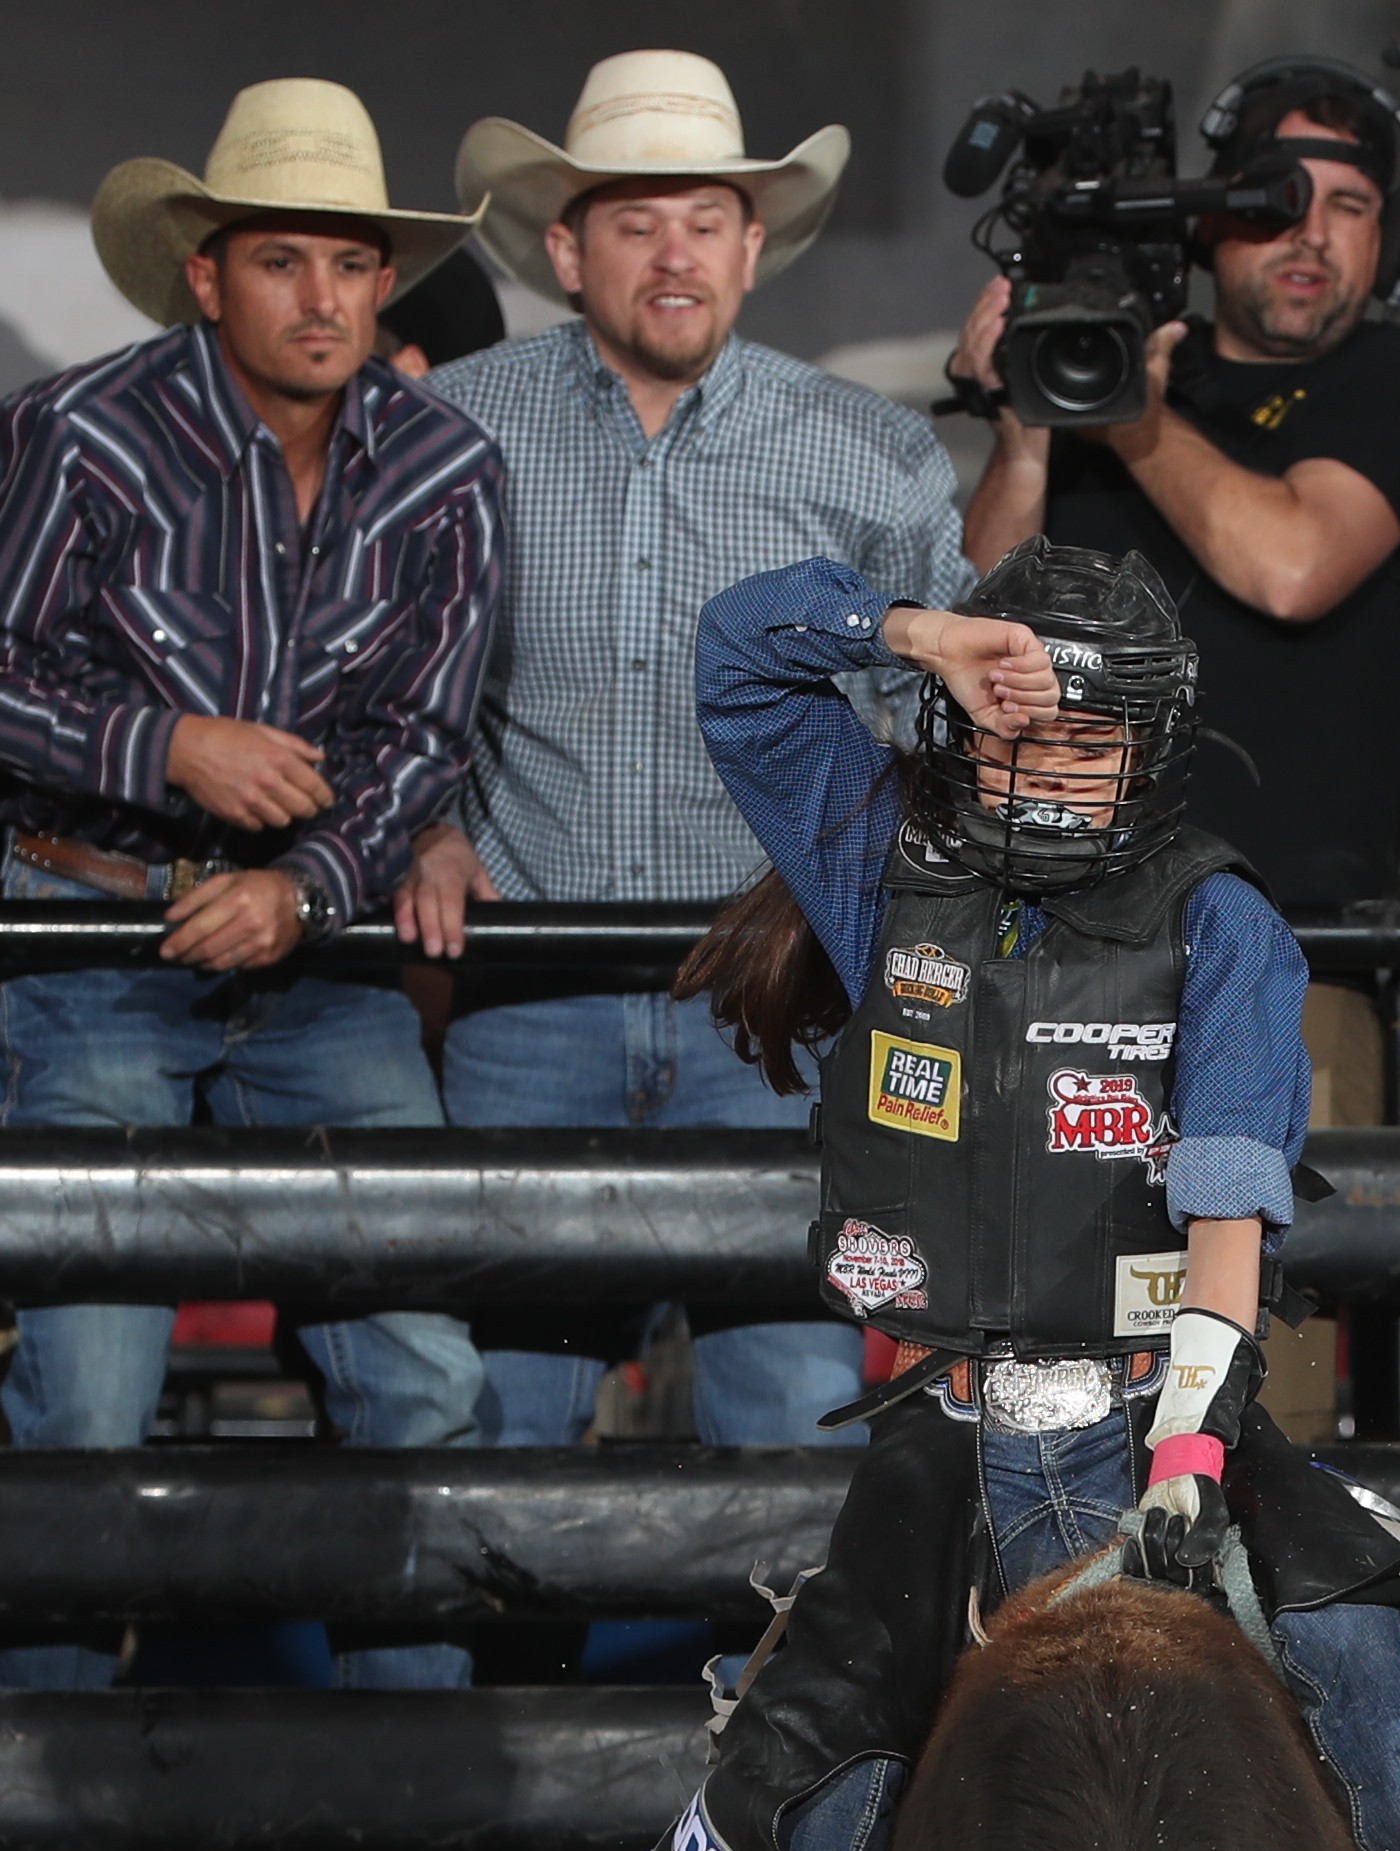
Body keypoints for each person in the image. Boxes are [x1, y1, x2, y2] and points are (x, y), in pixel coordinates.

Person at [624, 546, 1400, 1851]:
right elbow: (736, 646)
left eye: (1087, 737)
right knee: (793, 1752)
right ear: (962, 724)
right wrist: (925, 634)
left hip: (1161, 1408)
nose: (1049, 768)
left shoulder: (1218, 919)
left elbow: (1227, 1198)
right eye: (1020, 729)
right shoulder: (872, 855)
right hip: (954, 1423)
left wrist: (1186, 1448)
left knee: (1384, 1677)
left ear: (1147, 747)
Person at [0, 83, 504, 1755]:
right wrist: (165, 746)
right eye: (281, 261)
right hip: (96, 934)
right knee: (86, 1392)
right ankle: (27, 1803)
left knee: (419, 1372)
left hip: (317, 963)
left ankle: (419, 1792)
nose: (321, 298)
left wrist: (306, 886)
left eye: (348, 263)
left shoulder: (444, 467)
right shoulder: (78, 431)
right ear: (205, 275)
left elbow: (425, 737)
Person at [408, 52, 966, 1456]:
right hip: (526, 1000)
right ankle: (502, 1688)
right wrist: (419, 818)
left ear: (755, 245)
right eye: (635, 221)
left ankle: (772, 1689)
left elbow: (940, 730)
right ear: (563, 247)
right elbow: (377, 677)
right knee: (499, 1433)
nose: (675, 256)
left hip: (771, 1017)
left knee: (794, 1431)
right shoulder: (447, 433)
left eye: (706, 221)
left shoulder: (873, 453)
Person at [954, 67, 1400, 923]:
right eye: (1274, 200)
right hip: (1062, 933)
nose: (1309, 234)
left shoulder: (1398, 387)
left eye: (1347, 207)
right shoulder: (1101, 363)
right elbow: (980, 639)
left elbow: (1294, 567)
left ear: (1394, 241)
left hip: (1296, 943)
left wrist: (1134, 419)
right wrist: (1023, 435)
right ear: (1203, 220)